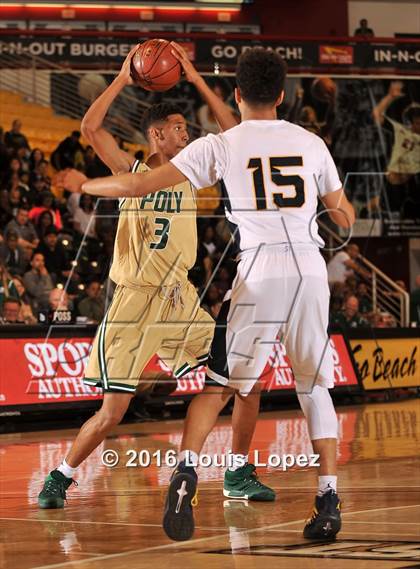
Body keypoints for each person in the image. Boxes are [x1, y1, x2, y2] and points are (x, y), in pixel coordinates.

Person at [65, 46, 355, 542]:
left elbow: (140, 186)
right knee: (314, 387)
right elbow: (345, 218)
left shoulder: (220, 146)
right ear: (282, 95)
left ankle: (187, 471)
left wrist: (85, 184)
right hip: (308, 268)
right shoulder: (311, 142)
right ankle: (327, 498)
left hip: (258, 270)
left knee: (219, 386)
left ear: (238, 93)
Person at [37, 44, 269, 513]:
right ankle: (60, 477)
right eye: (178, 128)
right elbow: (90, 128)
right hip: (134, 303)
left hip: (179, 299)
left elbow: (237, 133)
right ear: (156, 134)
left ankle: (238, 471)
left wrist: (195, 75)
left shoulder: (192, 171)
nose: (186, 133)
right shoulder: (130, 171)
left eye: (186, 127)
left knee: (247, 380)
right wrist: (124, 76)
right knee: (111, 413)